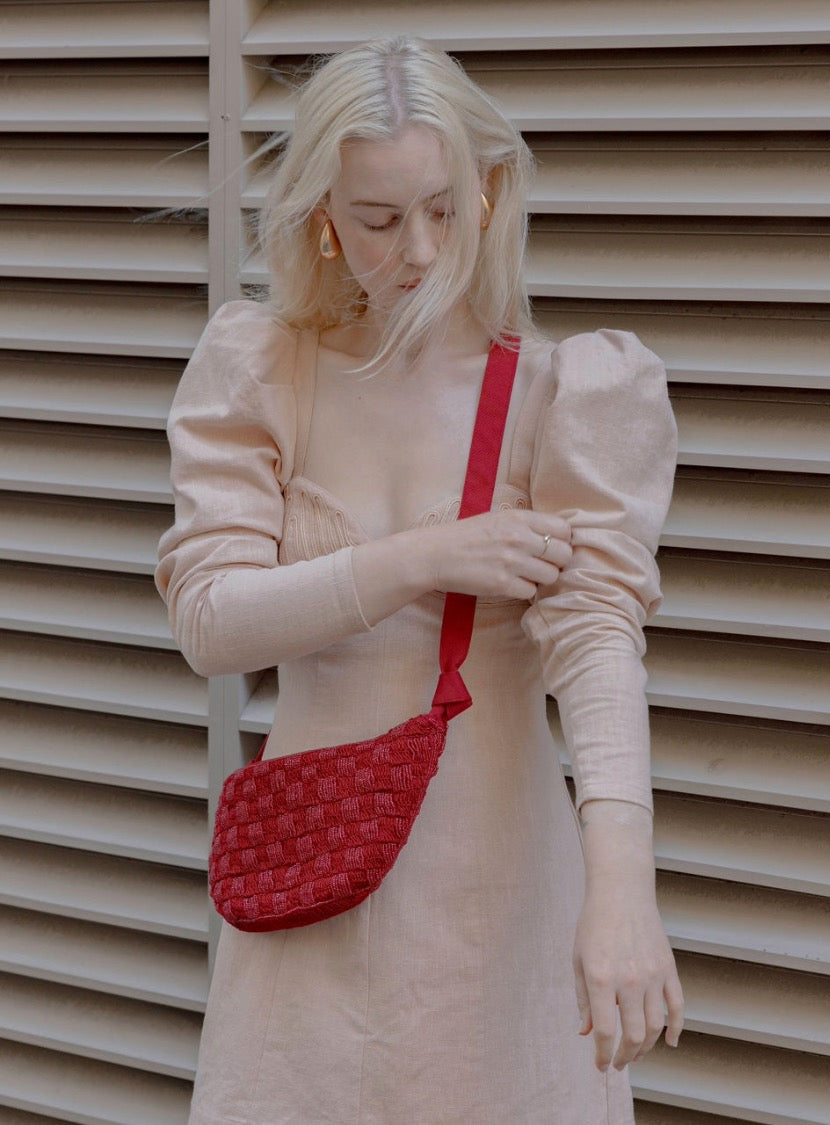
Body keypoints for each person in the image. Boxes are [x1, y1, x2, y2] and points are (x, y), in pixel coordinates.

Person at [156, 35, 683, 1125]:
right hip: (315, 872)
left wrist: (622, 885)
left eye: (445, 208)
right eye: (380, 220)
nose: (419, 250)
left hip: (501, 882)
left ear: (488, 194)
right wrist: (422, 559)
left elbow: (595, 642)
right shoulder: (267, 369)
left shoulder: (563, 390)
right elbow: (212, 623)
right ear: (323, 221)